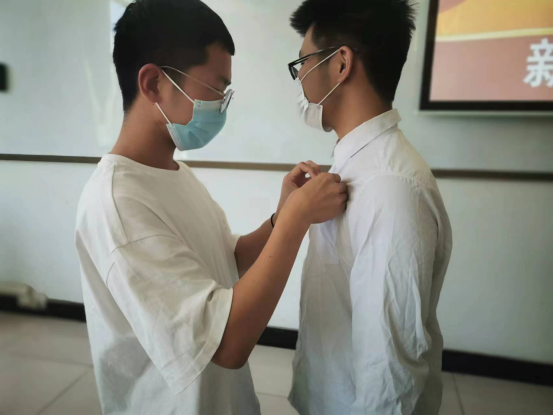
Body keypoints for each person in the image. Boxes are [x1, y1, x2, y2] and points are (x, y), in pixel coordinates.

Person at [74, 0, 348, 414]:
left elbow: (228, 260)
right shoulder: (117, 205)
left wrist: (281, 216)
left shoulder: (174, 173)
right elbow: (226, 344)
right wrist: (296, 221)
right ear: (153, 84)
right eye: (216, 88)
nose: (221, 104)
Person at [286, 0, 453, 414]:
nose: (300, 76)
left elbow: (389, 375)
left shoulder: (389, 187)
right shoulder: (357, 165)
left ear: (341, 64)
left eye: (303, 62)